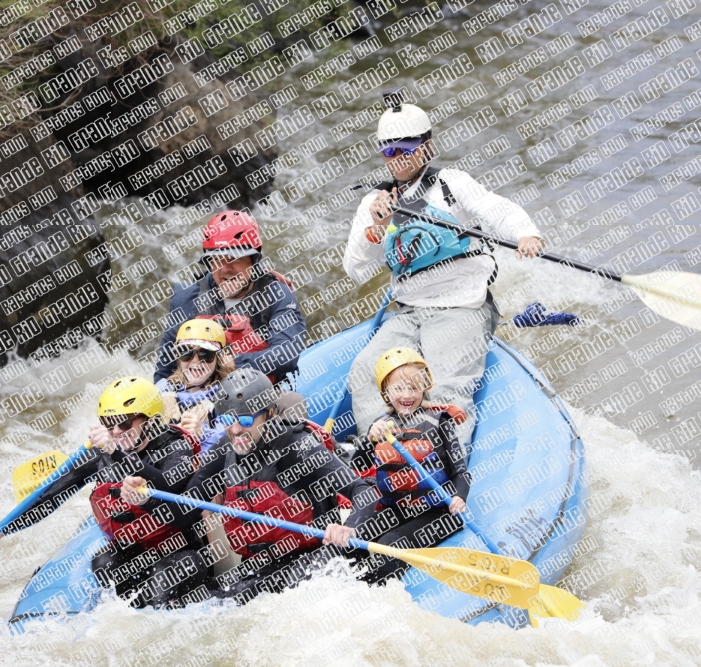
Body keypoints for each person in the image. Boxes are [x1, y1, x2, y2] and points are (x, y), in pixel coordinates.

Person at [343, 94, 545, 442]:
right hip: (409, 311)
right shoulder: (373, 204)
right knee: (364, 368)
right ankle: (379, 448)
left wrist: (527, 233)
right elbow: (356, 269)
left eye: (406, 147)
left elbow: (496, 209)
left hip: (461, 306)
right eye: (389, 151)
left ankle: (446, 467)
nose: (399, 158)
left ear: (426, 146)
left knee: (444, 385)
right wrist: (376, 230)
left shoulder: (452, 184)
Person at [130, 367, 375, 605]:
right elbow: (185, 512)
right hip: (260, 567)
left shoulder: (298, 446)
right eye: (228, 419)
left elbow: (363, 490)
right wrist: (146, 498)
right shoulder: (223, 451)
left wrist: (350, 528)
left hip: (312, 559)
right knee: (206, 606)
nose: (236, 430)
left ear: (269, 413)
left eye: (246, 419)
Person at [0, 377, 207, 609]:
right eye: (107, 422)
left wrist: (116, 453)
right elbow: (50, 497)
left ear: (151, 421)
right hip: (133, 551)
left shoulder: (176, 445)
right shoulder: (100, 454)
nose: (115, 431)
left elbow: (169, 486)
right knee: (104, 562)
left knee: (164, 577)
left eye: (123, 423)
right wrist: (3, 528)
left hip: (182, 551)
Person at [326, 347, 469, 583]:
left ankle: (375, 595)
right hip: (395, 509)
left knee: (387, 548)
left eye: (413, 388)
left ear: (424, 388)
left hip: (437, 514)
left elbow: (460, 472)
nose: (406, 395)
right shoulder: (380, 424)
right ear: (386, 391)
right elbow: (359, 467)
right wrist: (370, 439)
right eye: (398, 388)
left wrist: (459, 497)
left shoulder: (440, 422)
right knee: (351, 544)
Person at [155, 210, 307, 384]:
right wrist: (167, 398)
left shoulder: (276, 295)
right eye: (217, 259)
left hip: (259, 399)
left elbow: (287, 354)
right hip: (198, 400)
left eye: (234, 258)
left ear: (253, 260)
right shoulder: (187, 298)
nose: (226, 268)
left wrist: (230, 363)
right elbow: (164, 370)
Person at [157, 318, 234, 454]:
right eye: (186, 353)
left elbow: (233, 440)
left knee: (203, 409)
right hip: (162, 461)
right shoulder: (163, 387)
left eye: (206, 353)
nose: (196, 361)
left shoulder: (228, 394)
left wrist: (203, 433)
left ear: (219, 357)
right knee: (166, 399)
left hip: (202, 465)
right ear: (177, 355)